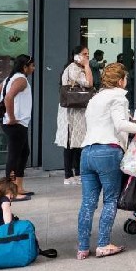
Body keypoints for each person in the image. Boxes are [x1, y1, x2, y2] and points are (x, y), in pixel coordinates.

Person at [77, 62, 136, 259]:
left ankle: (82, 247)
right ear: (121, 80)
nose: (127, 82)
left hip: (87, 152)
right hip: (107, 151)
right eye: (126, 79)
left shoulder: (94, 99)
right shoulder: (118, 98)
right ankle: (103, 244)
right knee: (110, 200)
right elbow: (121, 125)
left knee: (88, 203)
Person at [0, 54, 36, 201]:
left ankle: (18, 187)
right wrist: (12, 117)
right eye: (32, 66)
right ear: (25, 67)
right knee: (14, 156)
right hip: (16, 124)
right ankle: (10, 191)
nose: (33, 68)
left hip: (14, 123)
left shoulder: (10, 79)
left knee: (23, 153)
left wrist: (0, 114)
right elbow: (8, 98)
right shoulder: (21, 80)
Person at [54, 46, 91, 186]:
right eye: (84, 54)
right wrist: (87, 67)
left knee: (77, 142)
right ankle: (69, 174)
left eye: (88, 54)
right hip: (71, 111)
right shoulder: (73, 68)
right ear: (76, 56)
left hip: (76, 110)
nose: (87, 57)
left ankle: (76, 173)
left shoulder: (76, 68)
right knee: (70, 142)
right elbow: (88, 83)